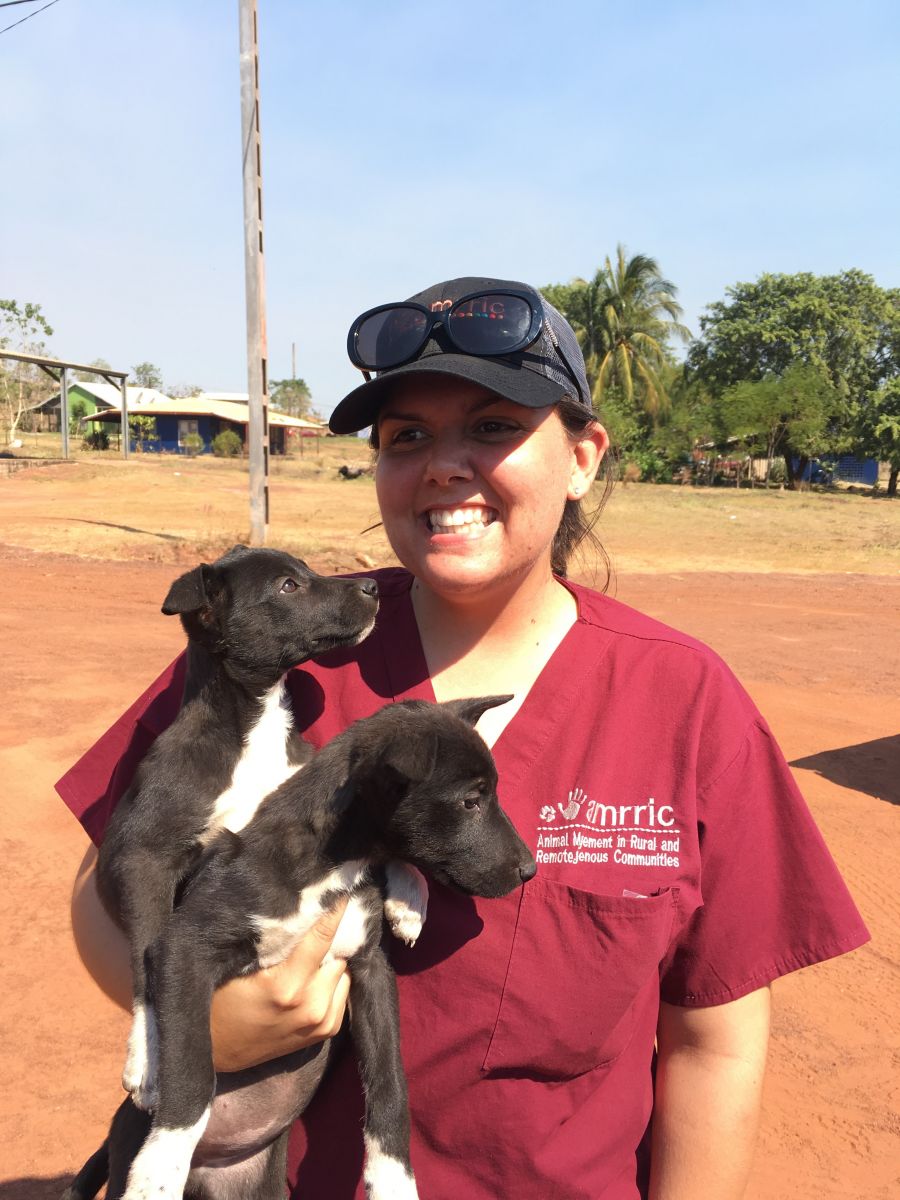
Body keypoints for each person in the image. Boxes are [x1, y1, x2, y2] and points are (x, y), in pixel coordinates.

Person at [60, 276, 869, 1200]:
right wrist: (199, 1018)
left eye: (491, 427)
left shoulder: (683, 700)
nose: (444, 464)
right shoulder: (280, 656)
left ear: (582, 457)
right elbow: (108, 877)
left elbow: (714, 1044)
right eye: (407, 437)